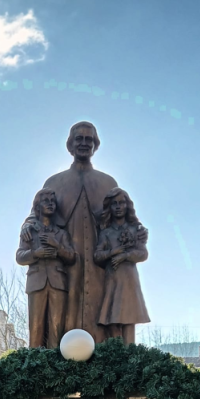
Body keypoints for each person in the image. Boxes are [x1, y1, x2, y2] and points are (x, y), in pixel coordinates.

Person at [27, 122, 118, 341]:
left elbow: (122, 217)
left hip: (98, 261)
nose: (84, 144)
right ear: (70, 145)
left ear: (95, 145)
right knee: (61, 314)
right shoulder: (54, 182)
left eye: (89, 140)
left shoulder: (107, 183)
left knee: (98, 309)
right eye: (79, 139)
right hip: (62, 260)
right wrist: (26, 226)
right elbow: (35, 212)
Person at [16, 189, 76, 348]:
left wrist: (57, 246)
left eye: (52, 201)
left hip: (58, 283)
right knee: (36, 327)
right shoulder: (29, 231)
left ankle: (55, 366)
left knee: (57, 328)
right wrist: (36, 253)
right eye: (46, 201)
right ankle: (35, 365)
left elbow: (71, 256)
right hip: (36, 282)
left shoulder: (61, 233)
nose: (50, 204)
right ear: (38, 206)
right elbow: (20, 256)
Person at [93, 188, 150, 344]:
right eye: (114, 204)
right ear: (110, 207)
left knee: (128, 319)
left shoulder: (135, 229)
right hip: (113, 279)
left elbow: (143, 253)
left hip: (129, 278)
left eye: (122, 203)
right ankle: (117, 356)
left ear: (127, 205)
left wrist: (124, 256)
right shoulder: (106, 233)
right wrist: (113, 252)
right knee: (112, 319)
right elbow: (97, 256)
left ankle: (129, 356)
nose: (118, 207)